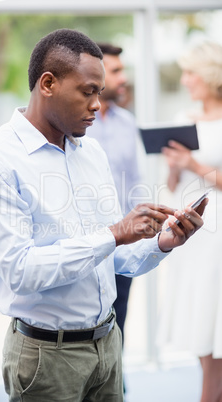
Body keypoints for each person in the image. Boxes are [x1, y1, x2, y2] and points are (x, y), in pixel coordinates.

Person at [0, 29, 206, 402]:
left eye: (99, 92)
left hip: (108, 346)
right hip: (47, 358)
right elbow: (20, 271)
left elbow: (115, 257)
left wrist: (162, 242)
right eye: (87, 91)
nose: (98, 104)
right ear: (48, 83)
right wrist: (114, 233)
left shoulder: (91, 152)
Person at [156, 41, 222, 402]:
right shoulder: (184, 119)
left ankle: (209, 394)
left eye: (191, 72)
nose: (184, 80)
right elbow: (172, 186)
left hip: (219, 233)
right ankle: (212, 389)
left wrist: (195, 166)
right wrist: (173, 167)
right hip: (191, 231)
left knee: (216, 308)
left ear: (211, 75)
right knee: (200, 310)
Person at [87, 43, 142, 343]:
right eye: (116, 71)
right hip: (87, 242)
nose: (123, 78)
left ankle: (116, 384)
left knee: (119, 320)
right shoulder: (74, 124)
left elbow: (135, 180)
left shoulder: (128, 123)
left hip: (124, 242)